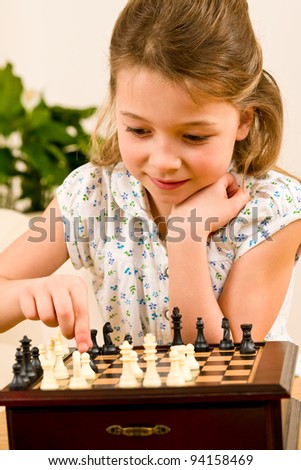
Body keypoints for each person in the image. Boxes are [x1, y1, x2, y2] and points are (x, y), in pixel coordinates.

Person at [0, 0, 300, 370]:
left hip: (241, 421)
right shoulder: (91, 196)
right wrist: (23, 293)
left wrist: (185, 237)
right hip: (135, 420)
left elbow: (226, 365)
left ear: (243, 121)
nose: (163, 161)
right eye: (139, 130)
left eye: (193, 136)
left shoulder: (272, 210)